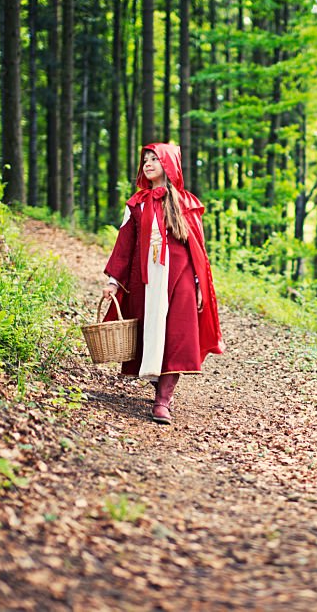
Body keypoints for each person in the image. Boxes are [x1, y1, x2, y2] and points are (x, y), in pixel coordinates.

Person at [101, 143, 223, 424]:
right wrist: (114, 282)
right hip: (145, 280)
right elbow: (124, 245)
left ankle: (163, 401)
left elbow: (197, 248)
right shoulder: (137, 203)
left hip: (179, 277)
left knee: (177, 336)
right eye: (145, 159)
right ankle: (158, 383)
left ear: (169, 164)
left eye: (155, 159)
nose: (148, 163)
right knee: (149, 334)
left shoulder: (184, 202)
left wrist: (199, 285)